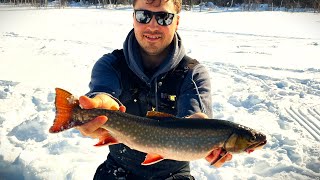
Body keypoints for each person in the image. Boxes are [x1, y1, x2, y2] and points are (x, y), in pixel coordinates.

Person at [77, 0, 232, 179]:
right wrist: (99, 103)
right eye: (143, 16)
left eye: (164, 17)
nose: (152, 26)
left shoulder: (193, 73)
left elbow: (195, 114)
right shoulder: (111, 64)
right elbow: (104, 92)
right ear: (133, 18)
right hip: (118, 167)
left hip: (174, 173)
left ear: (177, 21)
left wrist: (200, 126)